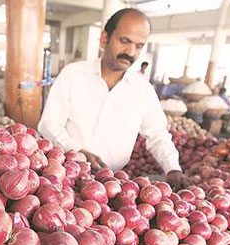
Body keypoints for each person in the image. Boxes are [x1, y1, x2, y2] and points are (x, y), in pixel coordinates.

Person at [38, 8, 188, 189]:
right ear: (104, 39)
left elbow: (157, 134)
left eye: (139, 46)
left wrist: (172, 167)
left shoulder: (143, 90)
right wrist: (76, 151)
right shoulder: (73, 75)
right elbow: (49, 123)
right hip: (65, 175)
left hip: (113, 186)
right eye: (125, 41)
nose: (131, 52)